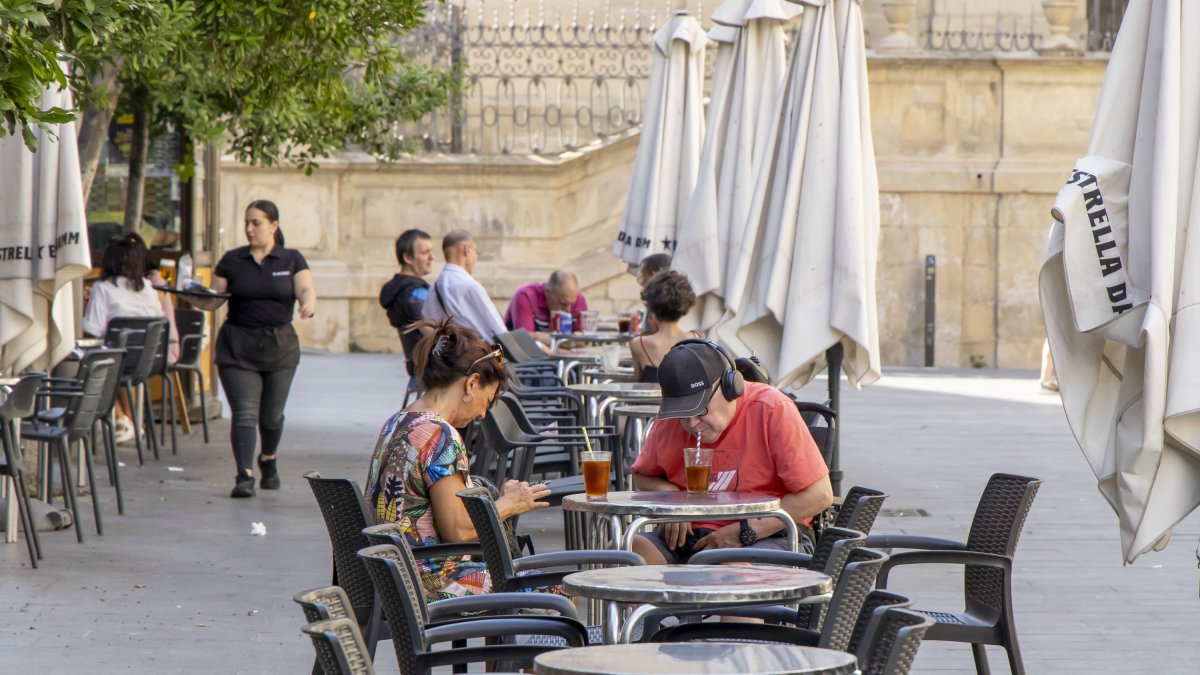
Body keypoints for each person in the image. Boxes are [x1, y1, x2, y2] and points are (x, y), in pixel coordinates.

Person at [365, 318, 550, 601]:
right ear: (472, 383)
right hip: (428, 582)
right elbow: (459, 531)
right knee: (552, 589)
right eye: (487, 401)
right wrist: (509, 504)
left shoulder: (398, 421)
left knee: (513, 574)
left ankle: (502, 642)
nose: (483, 414)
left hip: (393, 573)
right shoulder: (440, 435)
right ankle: (531, 643)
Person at [630, 340, 832, 564]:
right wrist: (671, 500)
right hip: (685, 537)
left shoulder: (771, 409)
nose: (692, 423)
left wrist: (745, 531)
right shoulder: (669, 420)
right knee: (625, 555)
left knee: (724, 569)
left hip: (767, 533)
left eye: (701, 409)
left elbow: (819, 494)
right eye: (682, 414)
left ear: (730, 388)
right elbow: (642, 475)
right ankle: (652, 600)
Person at [210, 200, 317, 498]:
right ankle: (244, 474)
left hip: (279, 348)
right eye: (246, 222)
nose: (249, 228)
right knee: (244, 413)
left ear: (274, 225)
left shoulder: (291, 259)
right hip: (237, 346)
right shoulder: (232, 260)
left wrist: (308, 303)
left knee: (271, 417)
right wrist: (188, 295)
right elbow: (213, 298)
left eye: (256, 222)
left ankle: (267, 458)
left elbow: (305, 288)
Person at [422, 230, 507, 342]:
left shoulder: (433, 289)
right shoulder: (470, 286)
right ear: (466, 249)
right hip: (476, 357)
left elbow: (428, 329)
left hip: (444, 357)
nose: (476, 257)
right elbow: (500, 333)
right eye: (475, 252)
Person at [379, 229, 435, 375]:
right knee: (497, 359)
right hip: (434, 366)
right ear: (408, 258)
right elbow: (431, 333)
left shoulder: (400, 289)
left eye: (431, 251)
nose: (432, 257)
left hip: (419, 364)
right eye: (425, 253)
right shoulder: (415, 292)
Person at [629, 271, 698, 383]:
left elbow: (638, 385)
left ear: (652, 306)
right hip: (694, 401)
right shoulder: (697, 338)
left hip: (652, 400)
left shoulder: (638, 344)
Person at [503, 270, 589, 346]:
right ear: (547, 293)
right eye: (563, 303)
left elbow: (585, 340)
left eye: (572, 304)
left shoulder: (578, 299)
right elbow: (524, 339)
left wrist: (538, 336)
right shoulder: (526, 296)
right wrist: (567, 341)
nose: (568, 309)